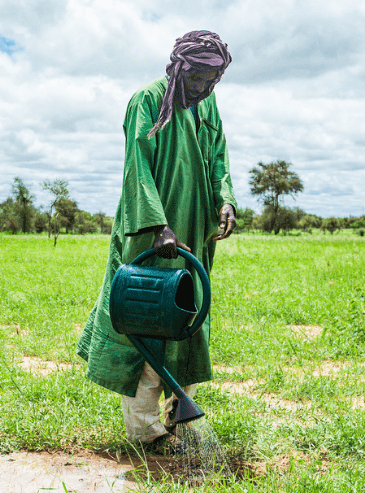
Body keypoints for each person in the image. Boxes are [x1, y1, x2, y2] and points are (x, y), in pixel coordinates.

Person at [76, 30, 237, 452]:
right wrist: (157, 225)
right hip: (154, 239)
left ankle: (177, 418)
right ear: (180, 66)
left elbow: (218, 153)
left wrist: (225, 200)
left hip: (193, 237)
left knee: (186, 321)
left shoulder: (207, 105)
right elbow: (137, 168)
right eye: (199, 77)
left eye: (212, 79)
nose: (204, 87)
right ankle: (145, 432)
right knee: (148, 325)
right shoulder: (146, 101)